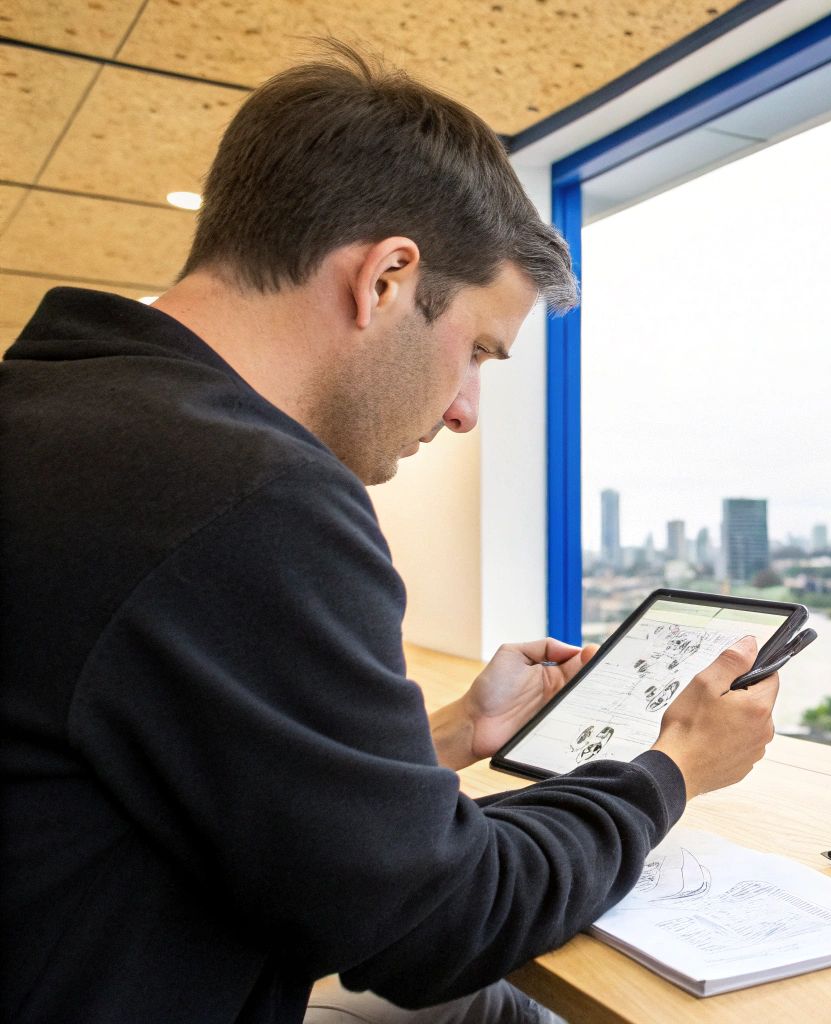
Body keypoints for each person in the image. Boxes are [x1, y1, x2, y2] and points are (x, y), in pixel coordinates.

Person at [0, 42, 779, 1024]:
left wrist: (453, 731)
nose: (465, 411)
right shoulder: (245, 494)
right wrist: (670, 769)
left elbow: (204, 767)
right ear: (386, 280)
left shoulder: (57, 411)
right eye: (476, 353)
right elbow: (433, 923)